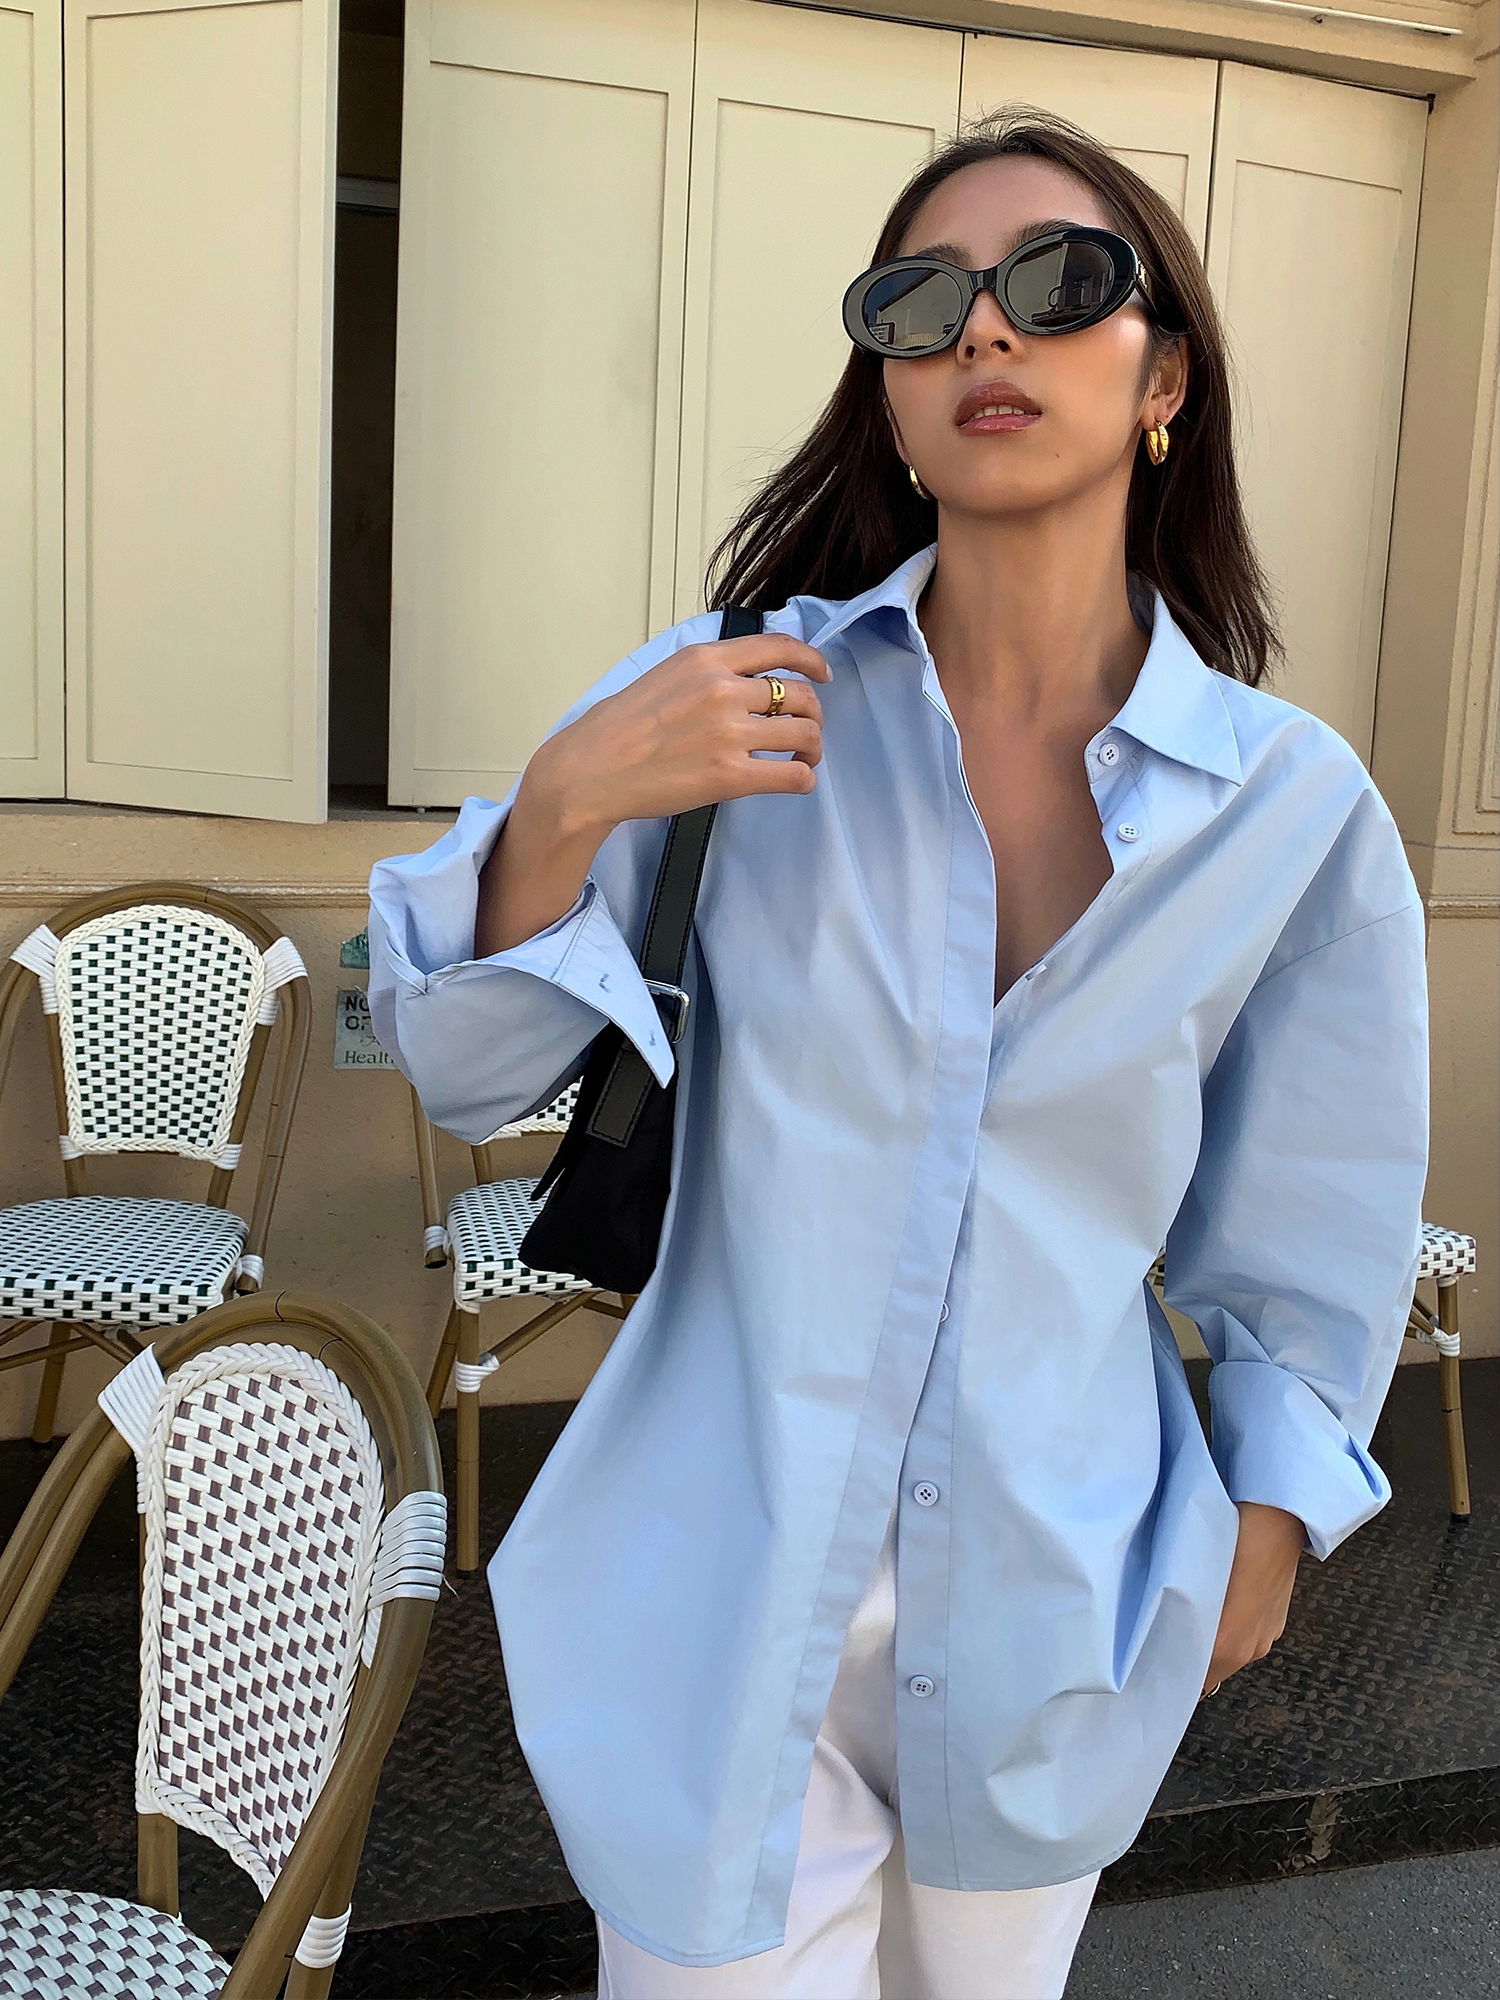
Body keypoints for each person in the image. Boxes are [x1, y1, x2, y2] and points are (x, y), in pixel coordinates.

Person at [368, 110, 1428, 2000]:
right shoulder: (735, 699)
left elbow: (1310, 1226)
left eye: (1060, 284)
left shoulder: (1292, 811)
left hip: (1061, 1600)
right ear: (888, 388)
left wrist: (1268, 1522)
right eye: (921, 301)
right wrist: (568, 798)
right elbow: (464, 1069)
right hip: (714, 1580)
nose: (984, 331)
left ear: (1165, 374)